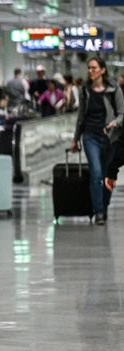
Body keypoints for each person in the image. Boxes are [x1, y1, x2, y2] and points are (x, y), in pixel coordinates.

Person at [72, 56, 124, 225]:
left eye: (94, 68)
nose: (90, 71)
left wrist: (114, 123)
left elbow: (122, 114)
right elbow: (81, 115)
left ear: (102, 70)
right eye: (89, 68)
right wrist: (75, 138)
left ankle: (104, 205)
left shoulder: (114, 88)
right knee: (96, 173)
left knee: (107, 174)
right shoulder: (85, 90)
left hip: (110, 137)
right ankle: (99, 211)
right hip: (90, 136)